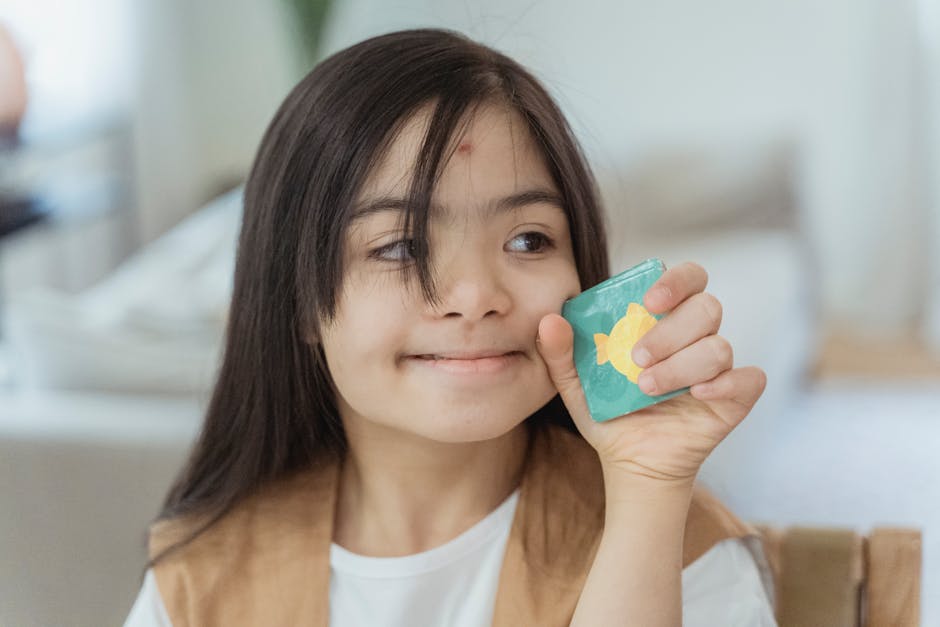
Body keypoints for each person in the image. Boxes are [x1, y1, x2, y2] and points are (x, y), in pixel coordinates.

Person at [124, 28, 775, 626]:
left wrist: (648, 496)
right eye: (401, 246)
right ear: (300, 303)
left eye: (527, 239)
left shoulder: (679, 549)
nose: (475, 297)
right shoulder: (199, 581)